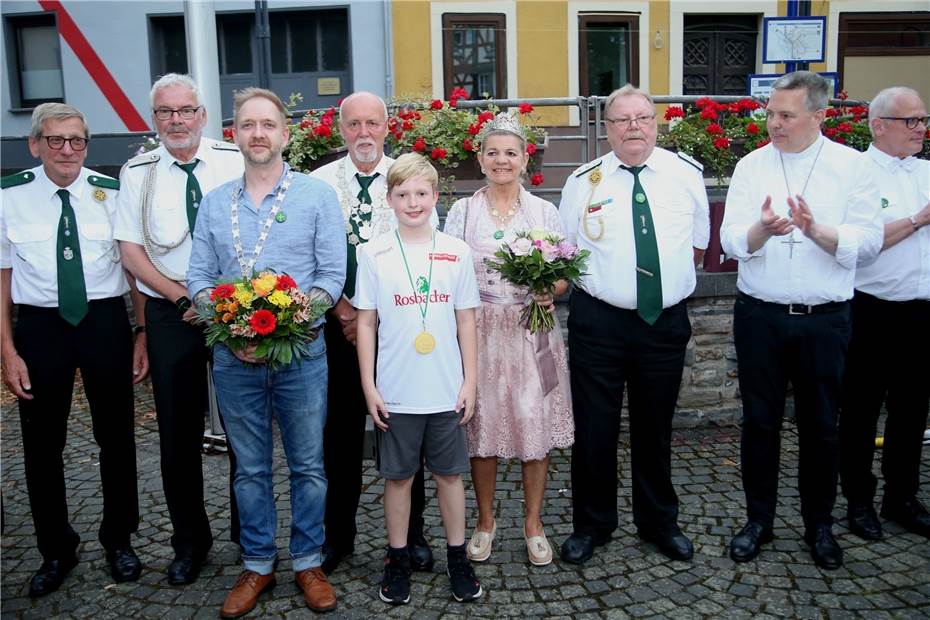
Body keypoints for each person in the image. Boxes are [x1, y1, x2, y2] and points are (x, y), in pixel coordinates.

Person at [187, 88, 344, 616]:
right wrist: (230, 324)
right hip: (234, 360)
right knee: (249, 468)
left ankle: (308, 561)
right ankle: (257, 564)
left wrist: (288, 321)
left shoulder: (317, 196)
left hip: (302, 356)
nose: (258, 133)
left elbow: (331, 277)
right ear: (234, 133)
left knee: (308, 465)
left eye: (268, 124)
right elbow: (200, 278)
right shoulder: (215, 202)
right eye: (248, 124)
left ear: (285, 132)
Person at [720, 71, 883, 569]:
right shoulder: (751, 165)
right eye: (770, 113)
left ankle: (820, 526)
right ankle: (759, 521)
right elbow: (729, 243)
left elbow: (869, 243)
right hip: (760, 317)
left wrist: (817, 230)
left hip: (824, 320)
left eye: (786, 115)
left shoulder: (852, 167)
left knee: (821, 429)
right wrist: (762, 230)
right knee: (759, 424)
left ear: (819, 115)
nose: (774, 123)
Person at [558, 85, 710, 565]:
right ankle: (592, 525)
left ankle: (659, 522)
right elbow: (565, 252)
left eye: (642, 118)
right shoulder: (583, 182)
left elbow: (698, 248)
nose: (633, 128)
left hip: (662, 323)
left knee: (655, 427)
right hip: (599, 323)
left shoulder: (685, 176)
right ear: (606, 128)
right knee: (595, 429)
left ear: (656, 122)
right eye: (621, 120)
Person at [1, 103, 149, 596]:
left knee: (117, 437)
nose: (68, 150)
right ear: (35, 144)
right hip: (40, 328)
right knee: (43, 446)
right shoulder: (9, 196)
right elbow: (2, 279)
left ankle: (119, 540)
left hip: (104, 321)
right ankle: (55, 549)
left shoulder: (110, 193)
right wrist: (7, 349)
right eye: (57, 140)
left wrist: (142, 332)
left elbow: (131, 268)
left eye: (77, 140)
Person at [115, 73, 244, 585]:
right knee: (176, 432)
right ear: (154, 120)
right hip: (172, 310)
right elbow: (131, 250)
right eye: (166, 112)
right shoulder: (137, 171)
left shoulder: (233, 161)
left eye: (185, 110)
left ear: (202, 115)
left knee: (244, 429)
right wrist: (183, 297)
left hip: (234, 307)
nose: (177, 120)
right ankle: (190, 542)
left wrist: (222, 302)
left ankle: (248, 536)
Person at [310, 91, 436, 574]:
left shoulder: (407, 180)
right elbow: (309, 252)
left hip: (399, 334)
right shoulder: (318, 184)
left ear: (387, 128)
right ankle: (336, 537)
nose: (363, 133)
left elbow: (423, 251)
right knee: (337, 438)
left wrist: (380, 315)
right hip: (334, 328)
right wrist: (344, 309)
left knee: (406, 435)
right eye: (353, 124)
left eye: (373, 124)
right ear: (340, 129)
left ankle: (414, 536)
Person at [444, 113, 574, 566]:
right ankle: (484, 521)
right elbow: (448, 273)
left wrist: (548, 288)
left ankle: (534, 523)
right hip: (479, 333)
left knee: (531, 425)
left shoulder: (545, 211)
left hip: (530, 332)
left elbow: (563, 279)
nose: (502, 160)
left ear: (525, 160)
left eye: (510, 153)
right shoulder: (462, 212)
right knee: (482, 430)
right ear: (480, 159)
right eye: (492, 152)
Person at [355, 153, 482, 605]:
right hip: (397, 391)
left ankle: (457, 556)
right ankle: (397, 556)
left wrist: (470, 383)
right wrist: (370, 387)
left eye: (421, 194)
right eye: (403, 194)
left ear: (435, 197)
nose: (413, 202)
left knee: (450, 477)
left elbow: (466, 321)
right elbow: (366, 323)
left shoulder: (456, 251)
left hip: (446, 390)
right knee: (398, 478)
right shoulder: (372, 253)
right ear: (389, 199)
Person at [839, 86, 930, 541]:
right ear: (878, 126)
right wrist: (918, 219)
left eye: (923, 120)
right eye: (911, 121)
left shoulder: (928, 171)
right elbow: (858, 245)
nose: (921, 129)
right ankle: (858, 501)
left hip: (922, 311)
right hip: (871, 309)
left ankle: (903, 497)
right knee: (860, 411)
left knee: (912, 410)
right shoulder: (857, 174)